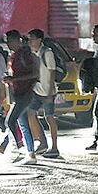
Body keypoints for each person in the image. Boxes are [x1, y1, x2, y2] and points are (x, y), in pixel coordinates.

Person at [3, 30, 39, 163]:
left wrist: (14, 79)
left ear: (17, 40)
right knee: (22, 123)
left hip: (26, 92)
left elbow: (34, 74)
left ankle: (20, 147)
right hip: (18, 93)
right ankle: (30, 154)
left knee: (10, 120)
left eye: (9, 41)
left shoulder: (25, 55)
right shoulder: (14, 55)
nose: (7, 44)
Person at [26, 29, 60, 158]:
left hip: (47, 92)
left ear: (39, 39)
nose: (30, 41)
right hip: (37, 90)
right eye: (29, 39)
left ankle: (55, 147)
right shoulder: (32, 53)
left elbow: (52, 72)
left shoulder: (47, 53)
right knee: (31, 113)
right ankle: (42, 143)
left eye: (32, 38)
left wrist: (50, 93)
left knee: (49, 118)